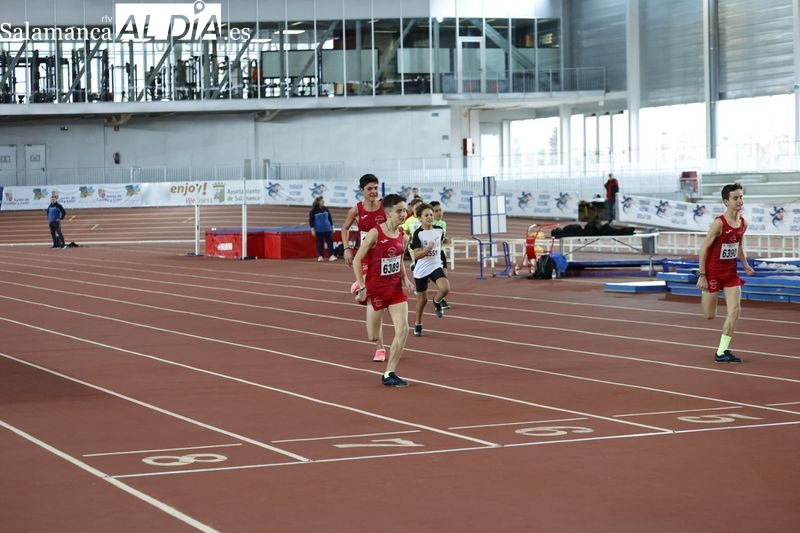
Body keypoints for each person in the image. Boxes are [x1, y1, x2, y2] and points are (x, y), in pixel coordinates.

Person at [352, 194, 416, 387]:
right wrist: (362, 285)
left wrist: (405, 278)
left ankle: (389, 373)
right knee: (373, 336)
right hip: (376, 290)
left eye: (404, 210)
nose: (403, 214)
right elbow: (357, 260)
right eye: (399, 211)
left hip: (395, 290)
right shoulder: (375, 233)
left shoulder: (403, 235)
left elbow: (399, 258)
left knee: (403, 329)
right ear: (388, 213)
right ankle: (366, 304)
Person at [696, 183, 755, 363]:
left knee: (735, 311)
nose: (739, 201)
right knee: (709, 315)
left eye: (741, 197)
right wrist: (702, 275)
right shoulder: (719, 223)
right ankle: (705, 292)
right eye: (735, 198)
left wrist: (745, 264)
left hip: (730, 274)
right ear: (726, 202)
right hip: (712, 274)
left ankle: (721, 351)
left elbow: (738, 246)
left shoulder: (743, 223)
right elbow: (704, 248)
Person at [341, 174, 388, 362]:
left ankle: (359, 286)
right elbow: (344, 228)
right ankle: (380, 347)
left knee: (385, 300)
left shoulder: (385, 207)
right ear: (362, 190)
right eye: (369, 189)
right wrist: (346, 248)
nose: (374, 192)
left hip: (385, 258)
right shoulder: (356, 210)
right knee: (373, 301)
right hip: (366, 259)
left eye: (376, 188)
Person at [410, 203, 450, 337]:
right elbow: (416, 255)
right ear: (420, 218)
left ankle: (437, 301)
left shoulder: (439, 230)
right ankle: (418, 323)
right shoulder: (418, 234)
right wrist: (427, 249)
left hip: (435, 265)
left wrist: (446, 243)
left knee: (445, 289)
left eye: (431, 215)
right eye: (426, 215)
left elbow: (441, 245)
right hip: (422, 268)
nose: (430, 217)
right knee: (422, 300)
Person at [430, 200, 451, 309]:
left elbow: (442, 238)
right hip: (430, 254)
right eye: (436, 211)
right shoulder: (429, 224)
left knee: (444, 276)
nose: (439, 213)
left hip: (440, 252)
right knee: (429, 278)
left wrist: (446, 239)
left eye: (440, 210)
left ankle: (440, 299)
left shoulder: (443, 223)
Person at [308, 196, 337, 261]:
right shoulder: (313, 211)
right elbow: (311, 220)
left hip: (327, 229)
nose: (323, 201)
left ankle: (332, 255)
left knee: (330, 242)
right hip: (319, 230)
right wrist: (312, 229)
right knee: (319, 243)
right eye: (321, 201)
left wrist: (332, 226)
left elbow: (329, 218)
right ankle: (320, 256)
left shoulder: (325, 209)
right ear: (318, 202)